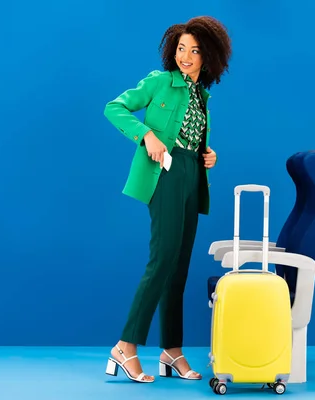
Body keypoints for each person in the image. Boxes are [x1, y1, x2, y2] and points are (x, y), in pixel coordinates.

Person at [103, 16, 232, 383]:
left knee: (179, 267)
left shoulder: (201, 95)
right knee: (161, 261)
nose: (186, 56)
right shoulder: (160, 81)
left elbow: (191, 137)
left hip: (193, 176)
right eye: (180, 49)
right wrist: (145, 135)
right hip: (166, 175)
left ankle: (171, 351)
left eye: (194, 50)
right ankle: (125, 347)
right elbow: (115, 107)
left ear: (208, 56)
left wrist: (208, 155)